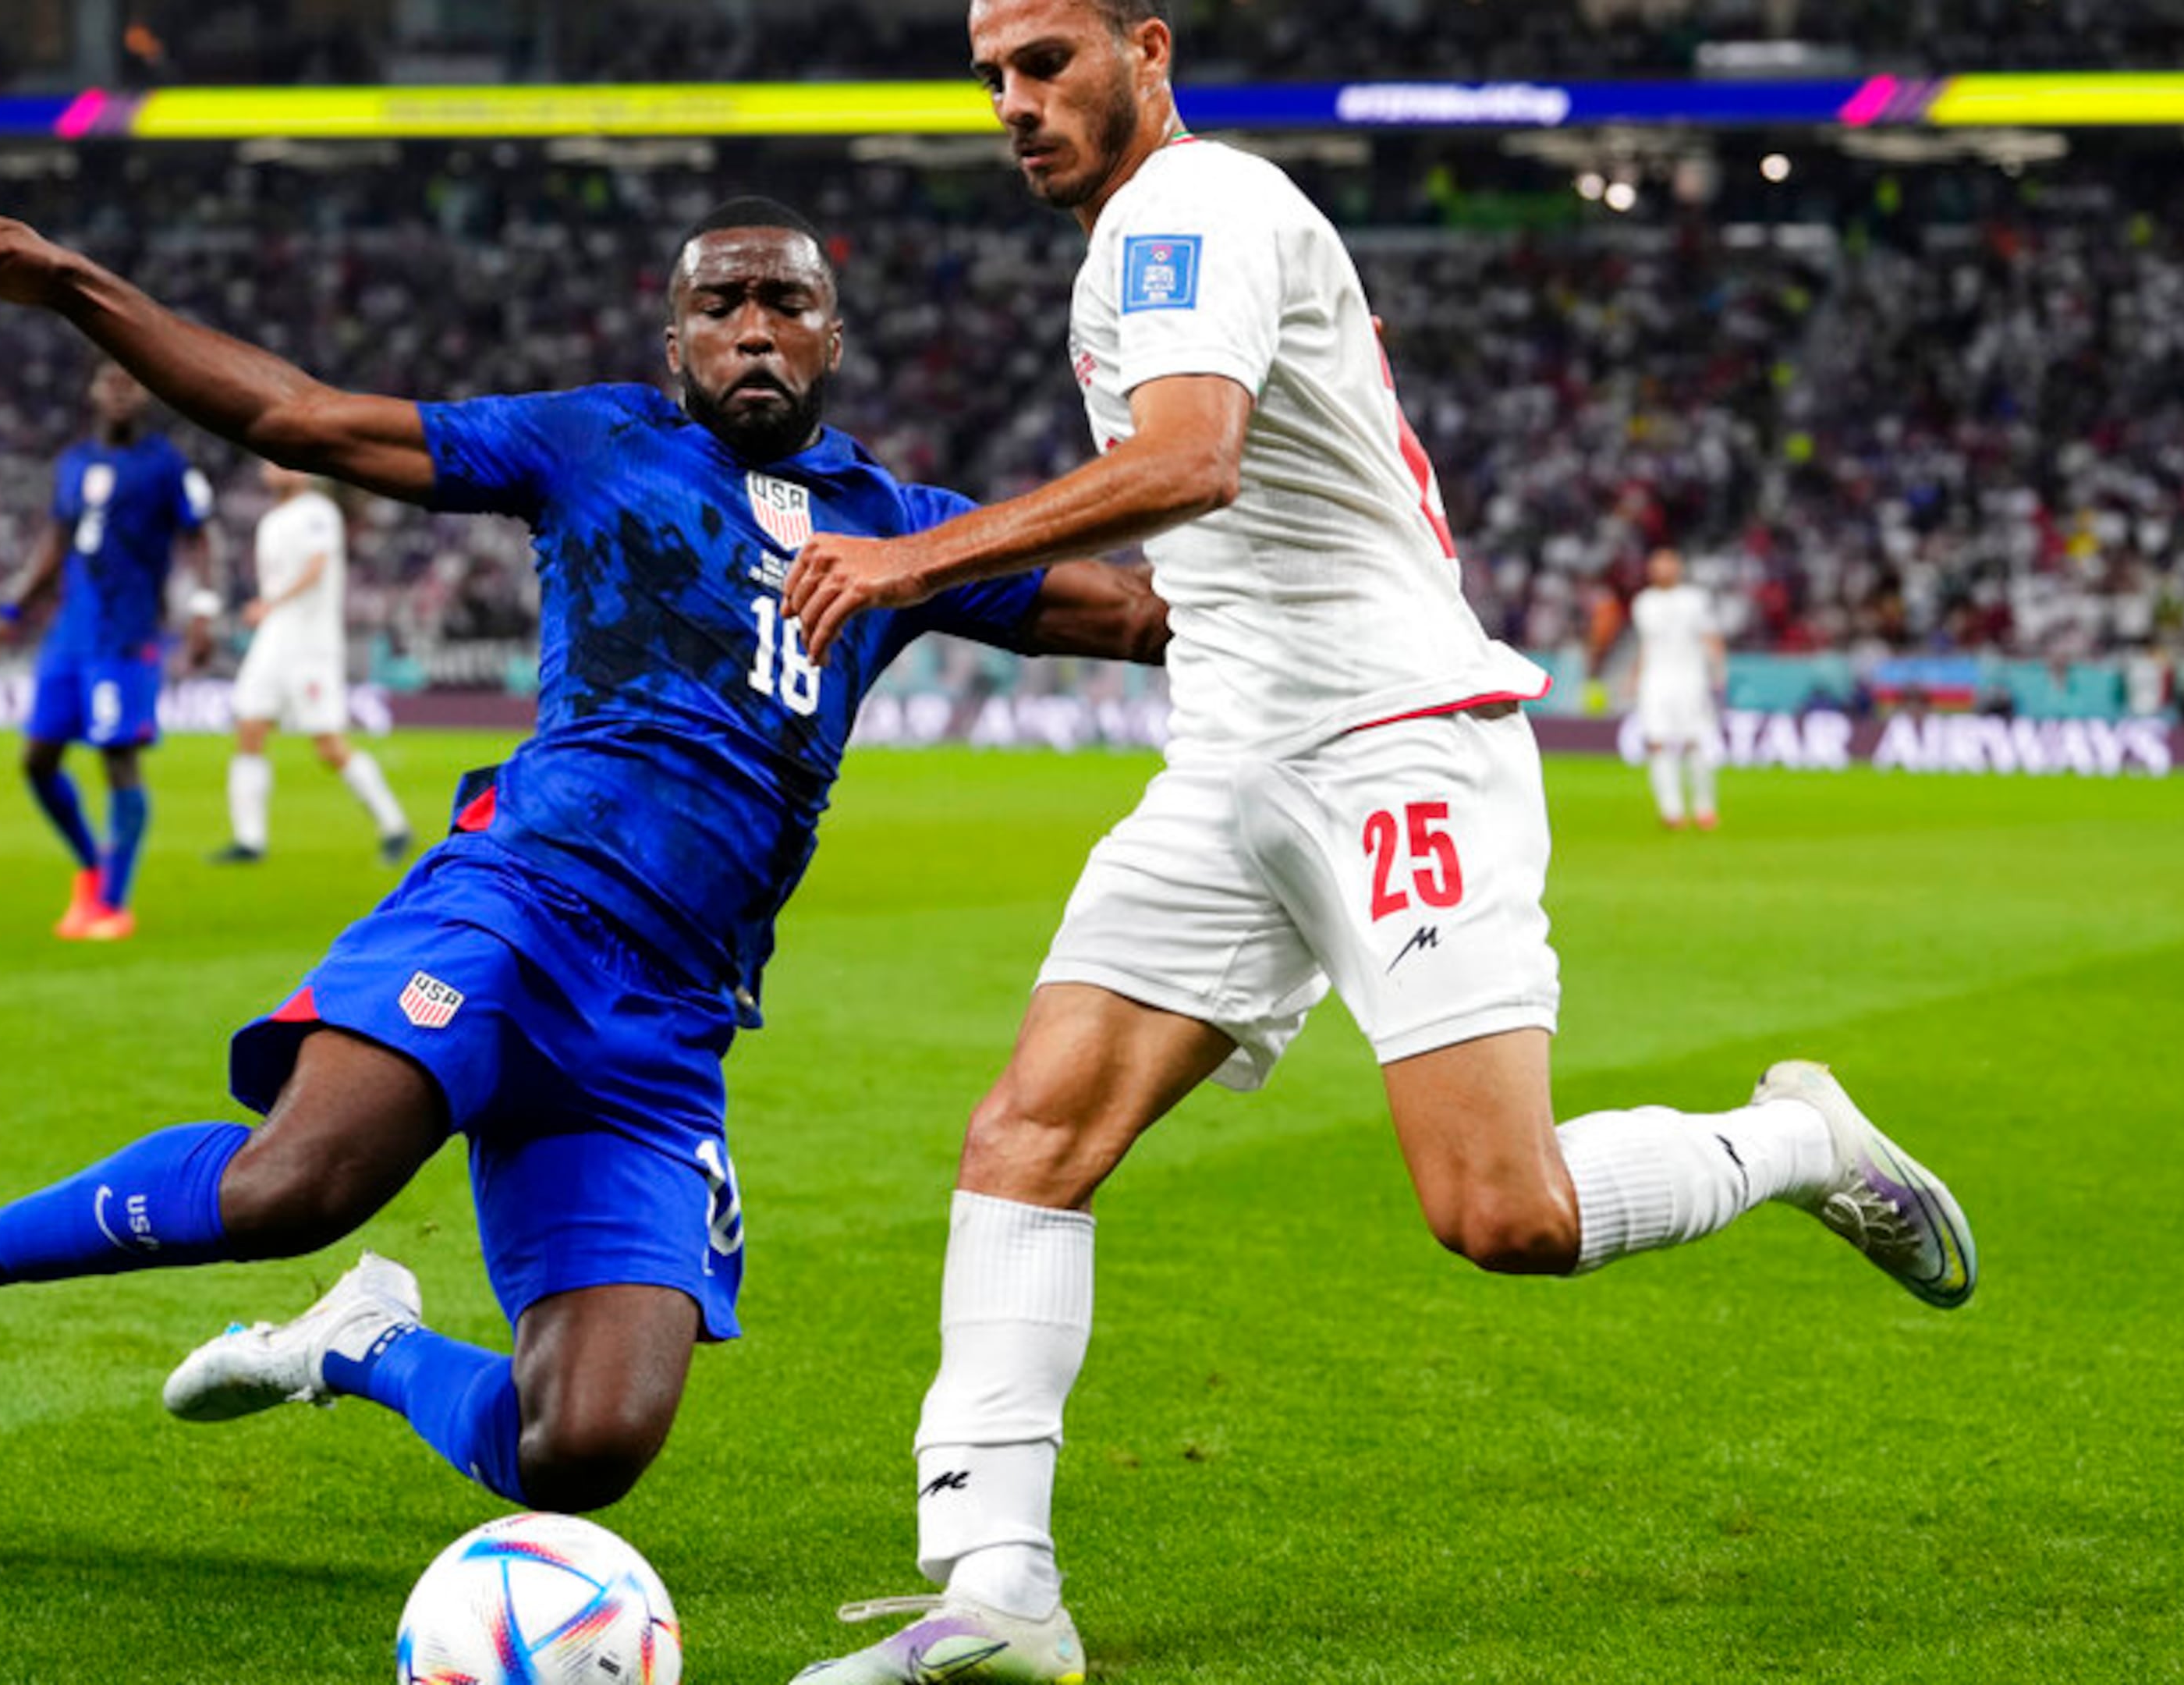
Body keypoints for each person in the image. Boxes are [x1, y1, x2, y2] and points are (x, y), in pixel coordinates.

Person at [777, 4, 1977, 1678]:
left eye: (1046, 60)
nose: (1014, 102)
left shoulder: (1193, 208)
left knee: (1506, 1215)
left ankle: (1802, 1145)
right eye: (991, 75)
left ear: (1147, 43)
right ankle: (1000, 1584)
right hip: (1228, 762)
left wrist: (921, 560)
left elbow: (1191, 461)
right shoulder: (1138, 239)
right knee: (1027, 1138)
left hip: (1389, 743)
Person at [0, 197, 1171, 1519]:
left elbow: (1134, 614)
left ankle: (369, 1346)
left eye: (785, 299)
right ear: (674, 340)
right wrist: (83, 283)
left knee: (581, 1451)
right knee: (295, 1189)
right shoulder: (593, 441)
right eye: (719, 304)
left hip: (671, 1018)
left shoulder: (907, 530)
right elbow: (305, 420)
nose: (754, 327)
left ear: (833, 336)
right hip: (519, 900)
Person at [0, 363, 222, 942]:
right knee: (37, 760)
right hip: (72, 632)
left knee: (118, 758)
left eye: (131, 383)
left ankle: (113, 905)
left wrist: (203, 609)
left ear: (147, 394)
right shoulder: (73, 464)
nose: (120, 392)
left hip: (129, 632)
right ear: (92, 393)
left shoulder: (167, 464)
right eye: (109, 382)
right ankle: (93, 866)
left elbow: (200, 538)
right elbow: (56, 542)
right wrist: (14, 609)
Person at [211, 462, 413, 867]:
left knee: (329, 747)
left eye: (281, 461)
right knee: (249, 728)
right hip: (273, 638)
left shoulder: (318, 511)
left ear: (302, 472)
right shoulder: (270, 519)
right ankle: (250, 840)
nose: (271, 466)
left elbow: (317, 566)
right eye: (267, 461)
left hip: (311, 645)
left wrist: (271, 602)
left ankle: (395, 826)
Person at [1624, 545, 1728, 829]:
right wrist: (1634, 676)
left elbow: (1711, 637)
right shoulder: (1643, 602)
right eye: (1657, 564)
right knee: (1657, 743)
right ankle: (1671, 811)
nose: (1662, 569)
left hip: (1690, 678)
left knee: (1695, 741)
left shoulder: (1695, 599)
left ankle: (1704, 808)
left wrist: (1719, 672)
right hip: (1655, 681)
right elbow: (1646, 644)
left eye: (1667, 563)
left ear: (1678, 567)